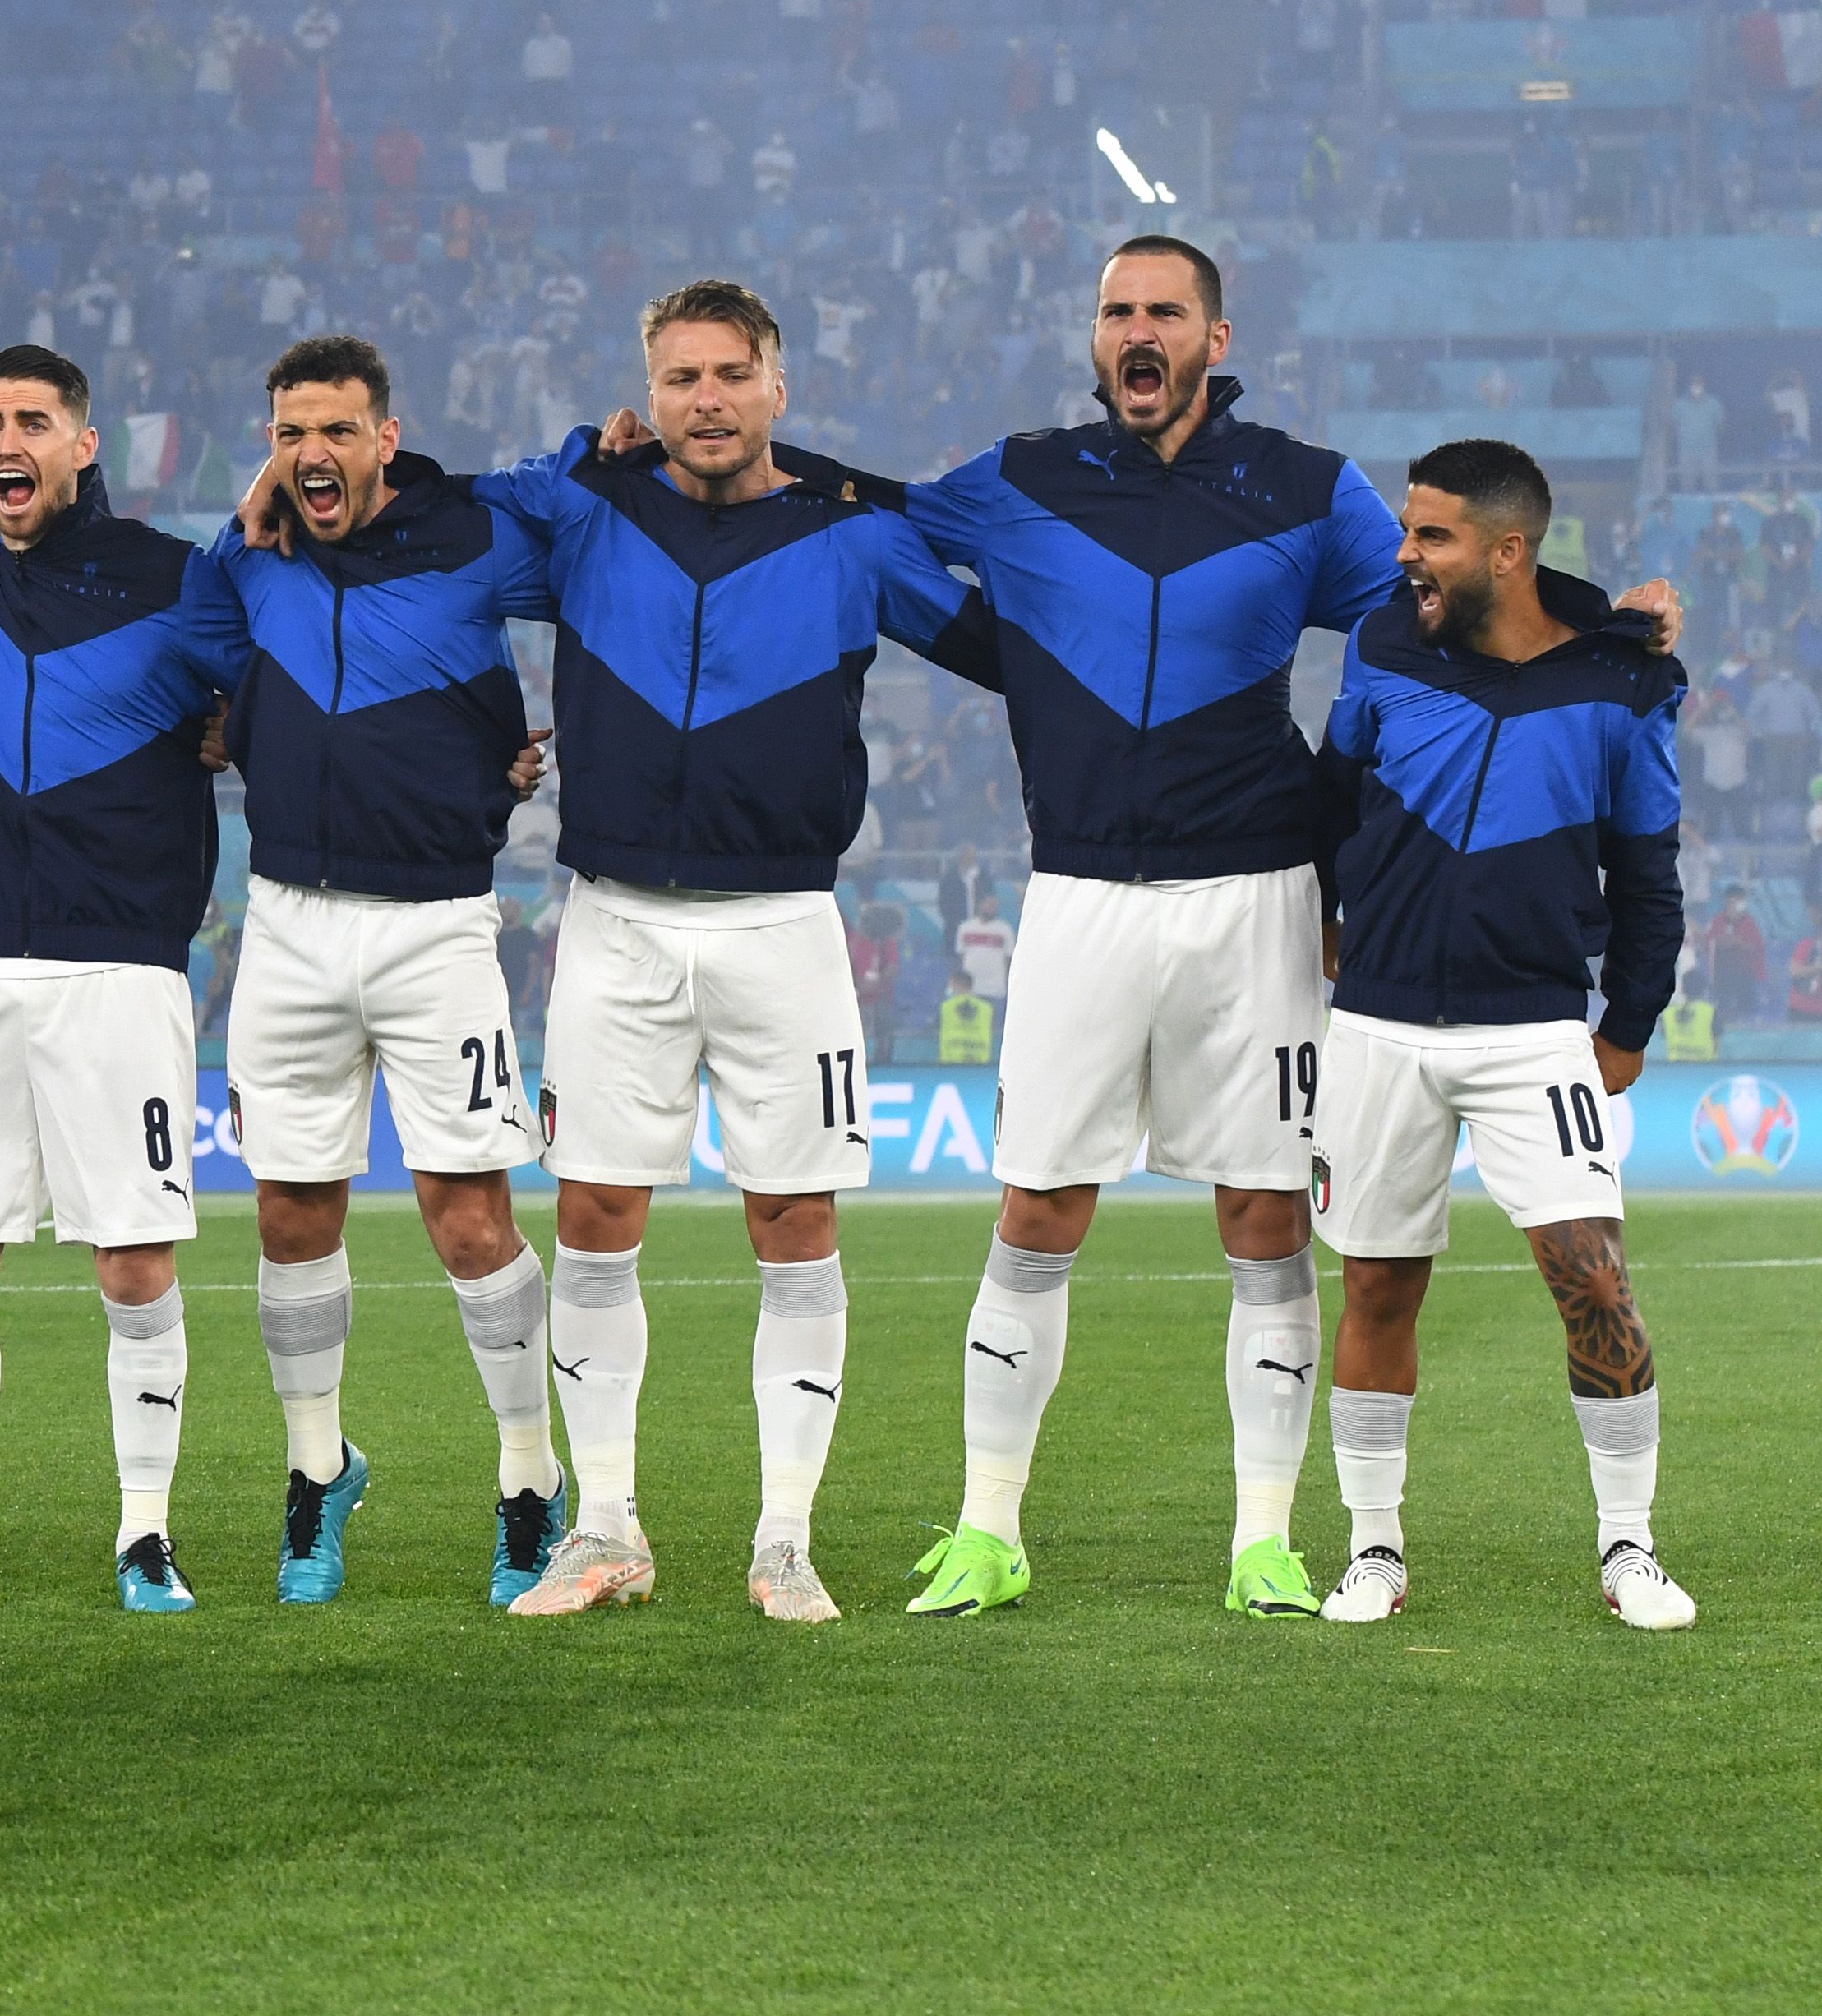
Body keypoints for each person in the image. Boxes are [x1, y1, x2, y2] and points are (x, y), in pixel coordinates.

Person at [852, 236, 1672, 1620]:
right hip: (1078, 895)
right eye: (1117, 310)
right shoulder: (1023, 476)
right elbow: (871, 513)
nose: (1138, 329)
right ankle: (990, 1529)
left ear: (1214, 339)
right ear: (1095, 335)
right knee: (1038, 1204)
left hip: (1259, 896)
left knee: (1267, 1213)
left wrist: (1612, 623)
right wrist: (722, 459)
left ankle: (1267, 1542)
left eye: (1165, 310)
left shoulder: (1308, 491)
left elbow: (1451, 607)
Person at [489, 280, 978, 1626]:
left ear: (779, 388)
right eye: (680, 378)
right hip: (617, 920)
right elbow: (445, 537)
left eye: (729, 375)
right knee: (593, 1218)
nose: (705, 400)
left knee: (795, 1222)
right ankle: (603, 1532)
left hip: (782, 925)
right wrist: (574, 456)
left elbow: (1008, 644)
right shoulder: (588, 517)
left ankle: (784, 1540)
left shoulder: (851, 541)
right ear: (647, 396)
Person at [0, 344, 248, 1617]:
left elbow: (277, 696)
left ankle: (146, 1537)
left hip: (119, 974)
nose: (7, 439)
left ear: (85, 443)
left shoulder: (174, 580)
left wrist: (228, 733)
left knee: (133, 1265)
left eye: (33, 420)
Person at [1308, 440, 1692, 1631]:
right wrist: (1334, 919)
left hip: (1533, 1031)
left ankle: (1628, 1546)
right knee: (1377, 1285)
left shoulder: (1626, 686)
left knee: (1594, 1279)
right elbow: (1332, 802)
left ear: (1508, 551)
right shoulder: (1381, 645)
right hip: (1375, 1022)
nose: (1405, 555)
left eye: (1431, 536)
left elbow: (1649, 874)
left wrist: (1626, 1022)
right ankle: (1375, 1551)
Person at [210, 334, 565, 1605]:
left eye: (337, 431)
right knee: (291, 1212)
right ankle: (318, 1476)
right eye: (290, 432)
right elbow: (187, 657)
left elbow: (598, 558)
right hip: (288, 925)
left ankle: (530, 1481)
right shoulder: (254, 567)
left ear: (386, 439)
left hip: (434, 926)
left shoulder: (471, 535)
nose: (314, 454)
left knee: (470, 1220)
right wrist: (236, 526)